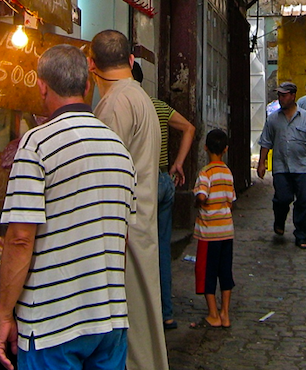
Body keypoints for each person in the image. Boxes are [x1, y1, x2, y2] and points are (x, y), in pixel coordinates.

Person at [0, 44, 137, 370]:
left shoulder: (36, 144)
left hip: (52, 326)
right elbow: (122, 237)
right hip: (110, 321)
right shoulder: (118, 148)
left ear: (42, 86)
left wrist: (5, 314)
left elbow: (20, 237)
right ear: (87, 85)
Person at [90, 30, 169, 370]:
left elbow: (102, 176)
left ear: (91, 66)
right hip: (139, 223)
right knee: (141, 324)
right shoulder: (138, 96)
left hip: (124, 231)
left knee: (133, 329)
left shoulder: (116, 103)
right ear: (132, 61)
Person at [257, 81, 306, 249]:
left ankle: (301, 234)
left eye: (284, 95)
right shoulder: (273, 119)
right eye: (279, 95)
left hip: (303, 167)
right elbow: (266, 142)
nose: (280, 98)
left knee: (304, 201)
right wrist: (261, 163)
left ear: (293, 96)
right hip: (281, 167)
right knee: (283, 198)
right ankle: (279, 220)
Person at [151, 97, 196, 330]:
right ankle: (166, 314)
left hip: (144, 182)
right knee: (162, 249)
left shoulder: (125, 104)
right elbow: (189, 127)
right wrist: (178, 163)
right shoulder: (158, 106)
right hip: (163, 180)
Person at [190, 128, 236, 329]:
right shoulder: (227, 172)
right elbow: (231, 201)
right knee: (225, 272)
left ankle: (213, 314)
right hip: (227, 231)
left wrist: (198, 202)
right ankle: (225, 313)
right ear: (225, 149)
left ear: (206, 147)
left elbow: (201, 195)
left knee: (207, 273)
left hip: (209, 234)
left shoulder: (205, 173)